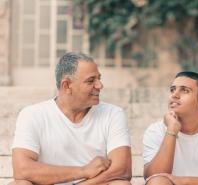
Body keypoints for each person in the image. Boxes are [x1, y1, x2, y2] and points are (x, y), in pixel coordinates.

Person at [9, 52, 132, 185]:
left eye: (99, 78)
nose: (99, 85)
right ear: (66, 86)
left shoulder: (113, 114)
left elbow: (122, 170)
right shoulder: (32, 115)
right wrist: (83, 171)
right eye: (91, 81)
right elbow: (22, 170)